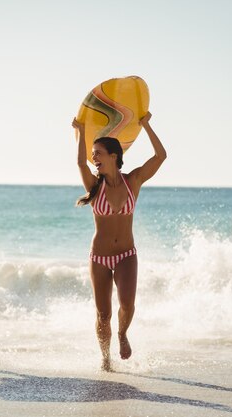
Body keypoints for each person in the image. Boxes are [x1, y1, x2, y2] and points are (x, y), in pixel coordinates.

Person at [73, 112, 166, 371]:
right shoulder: (95, 185)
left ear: (114, 156)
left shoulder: (133, 181)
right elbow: (80, 163)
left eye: (99, 153)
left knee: (127, 304)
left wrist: (147, 124)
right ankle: (105, 359)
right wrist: (80, 131)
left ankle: (123, 334)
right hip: (99, 257)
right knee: (103, 315)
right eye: (94, 154)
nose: (94, 158)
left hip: (126, 254)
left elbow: (160, 156)